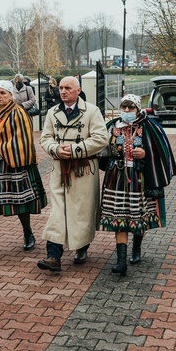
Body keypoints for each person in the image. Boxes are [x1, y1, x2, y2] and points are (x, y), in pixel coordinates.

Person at [99, 94, 176, 276]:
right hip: (116, 179)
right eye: (124, 108)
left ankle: (136, 248)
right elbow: (100, 149)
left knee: (138, 216)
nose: (126, 111)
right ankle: (121, 262)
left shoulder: (150, 127)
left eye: (130, 108)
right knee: (118, 217)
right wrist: (109, 152)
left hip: (140, 179)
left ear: (138, 109)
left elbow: (162, 151)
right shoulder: (112, 126)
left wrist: (145, 153)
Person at [37, 76, 109, 272]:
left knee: (82, 211)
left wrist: (77, 148)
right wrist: (56, 149)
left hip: (84, 169)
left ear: (78, 90)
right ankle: (53, 256)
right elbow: (45, 138)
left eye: (67, 88)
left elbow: (102, 138)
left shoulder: (92, 111)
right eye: (61, 88)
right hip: (60, 169)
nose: (63, 91)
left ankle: (81, 247)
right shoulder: (53, 112)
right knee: (57, 211)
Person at [0, 80, 48, 264]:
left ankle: (28, 233)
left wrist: (1, 148)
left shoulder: (19, 113)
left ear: (10, 95)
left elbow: (23, 138)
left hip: (14, 163)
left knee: (21, 202)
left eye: (3, 93)